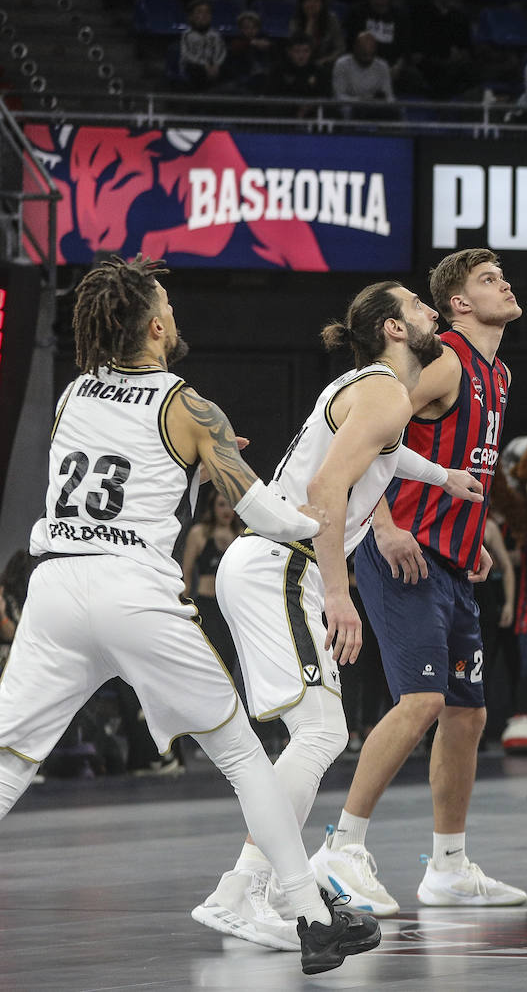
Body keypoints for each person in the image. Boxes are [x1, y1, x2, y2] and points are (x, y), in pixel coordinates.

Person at [0, 256, 378, 974]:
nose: (175, 314)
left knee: (9, 761)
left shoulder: (72, 393)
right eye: (167, 305)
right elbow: (260, 511)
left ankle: (297, 909)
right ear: (153, 326)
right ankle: (310, 916)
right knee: (242, 756)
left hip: (56, 586)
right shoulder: (191, 406)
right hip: (133, 593)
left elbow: (122, 470)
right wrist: (318, 522)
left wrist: (194, 469)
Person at [194, 279, 483, 948]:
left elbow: (381, 456)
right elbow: (327, 485)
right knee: (323, 733)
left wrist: (442, 477)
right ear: (393, 328)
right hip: (285, 565)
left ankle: (256, 885)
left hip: (267, 562)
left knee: (315, 733)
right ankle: (242, 890)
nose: (433, 312)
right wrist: (337, 592)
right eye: (419, 307)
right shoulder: (385, 391)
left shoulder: (373, 390)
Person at [313, 251, 526, 913]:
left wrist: (472, 538)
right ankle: (341, 845)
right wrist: (380, 523)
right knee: (423, 700)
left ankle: (449, 866)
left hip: (449, 558)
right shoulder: (448, 360)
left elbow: (465, 465)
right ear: (458, 303)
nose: (504, 284)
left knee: (467, 713)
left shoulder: (499, 372)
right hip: (402, 553)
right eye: (488, 279)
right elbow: (366, 438)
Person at [180, 487, 246, 678]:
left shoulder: (241, 535)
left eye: (230, 505)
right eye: (221, 505)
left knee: (231, 659)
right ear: (213, 507)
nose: (227, 510)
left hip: (231, 608)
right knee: (210, 657)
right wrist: (183, 605)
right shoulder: (199, 533)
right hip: (206, 605)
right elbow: (186, 572)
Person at [332, 32, 394, 112]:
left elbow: (389, 96)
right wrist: (362, 101)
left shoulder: (382, 66)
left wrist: (382, 101)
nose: (367, 54)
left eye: (371, 51)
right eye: (363, 51)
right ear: (355, 48)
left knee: (393, 112)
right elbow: (339, 96)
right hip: (350, 109)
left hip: (376, 109)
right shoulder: (342, 64)